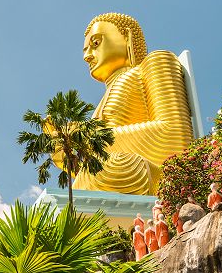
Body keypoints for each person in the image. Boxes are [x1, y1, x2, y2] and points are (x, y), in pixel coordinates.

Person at [67, 12, 194, 195]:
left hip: (151, 174)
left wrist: (90, 139)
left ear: (126, 36)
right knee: (98, 172)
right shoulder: (100, 104)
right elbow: (97, 159)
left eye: (95, 44)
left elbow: (175, 133)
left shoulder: (153, 63)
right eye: (85, 50)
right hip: (109, 173)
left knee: (118, 167)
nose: (87, 56)